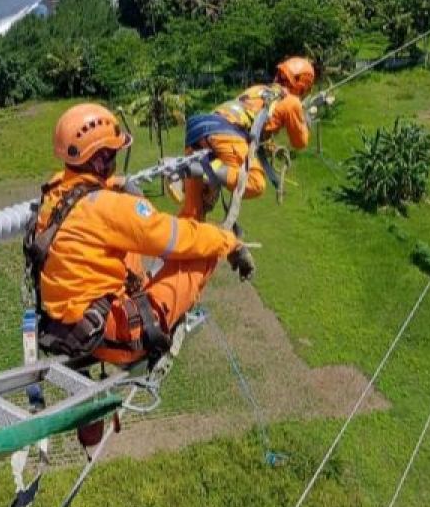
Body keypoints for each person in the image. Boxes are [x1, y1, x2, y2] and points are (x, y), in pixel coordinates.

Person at [26, 103, 255, 366]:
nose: (114, 161)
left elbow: (89, 191)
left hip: (69, 328)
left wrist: (117, 183)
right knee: (203, 251)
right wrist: (229, 242)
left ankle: (138, 290)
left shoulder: (54, 193)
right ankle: (154, 310)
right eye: (111, 154)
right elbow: (176, 239)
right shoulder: (110, 208)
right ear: (99, 159)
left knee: (126, 250)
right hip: (114, 338)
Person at [178, 56, 316, 220]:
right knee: (255, 183)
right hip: (226, 132)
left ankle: (197, 174)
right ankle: (204, 171)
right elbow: (300, 142)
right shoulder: (292, 102)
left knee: (193, 213)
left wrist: (269, 145)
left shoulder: (258, 90)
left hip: (199, 128)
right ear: (302, 87)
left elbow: (255, 126)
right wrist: (304, 119)